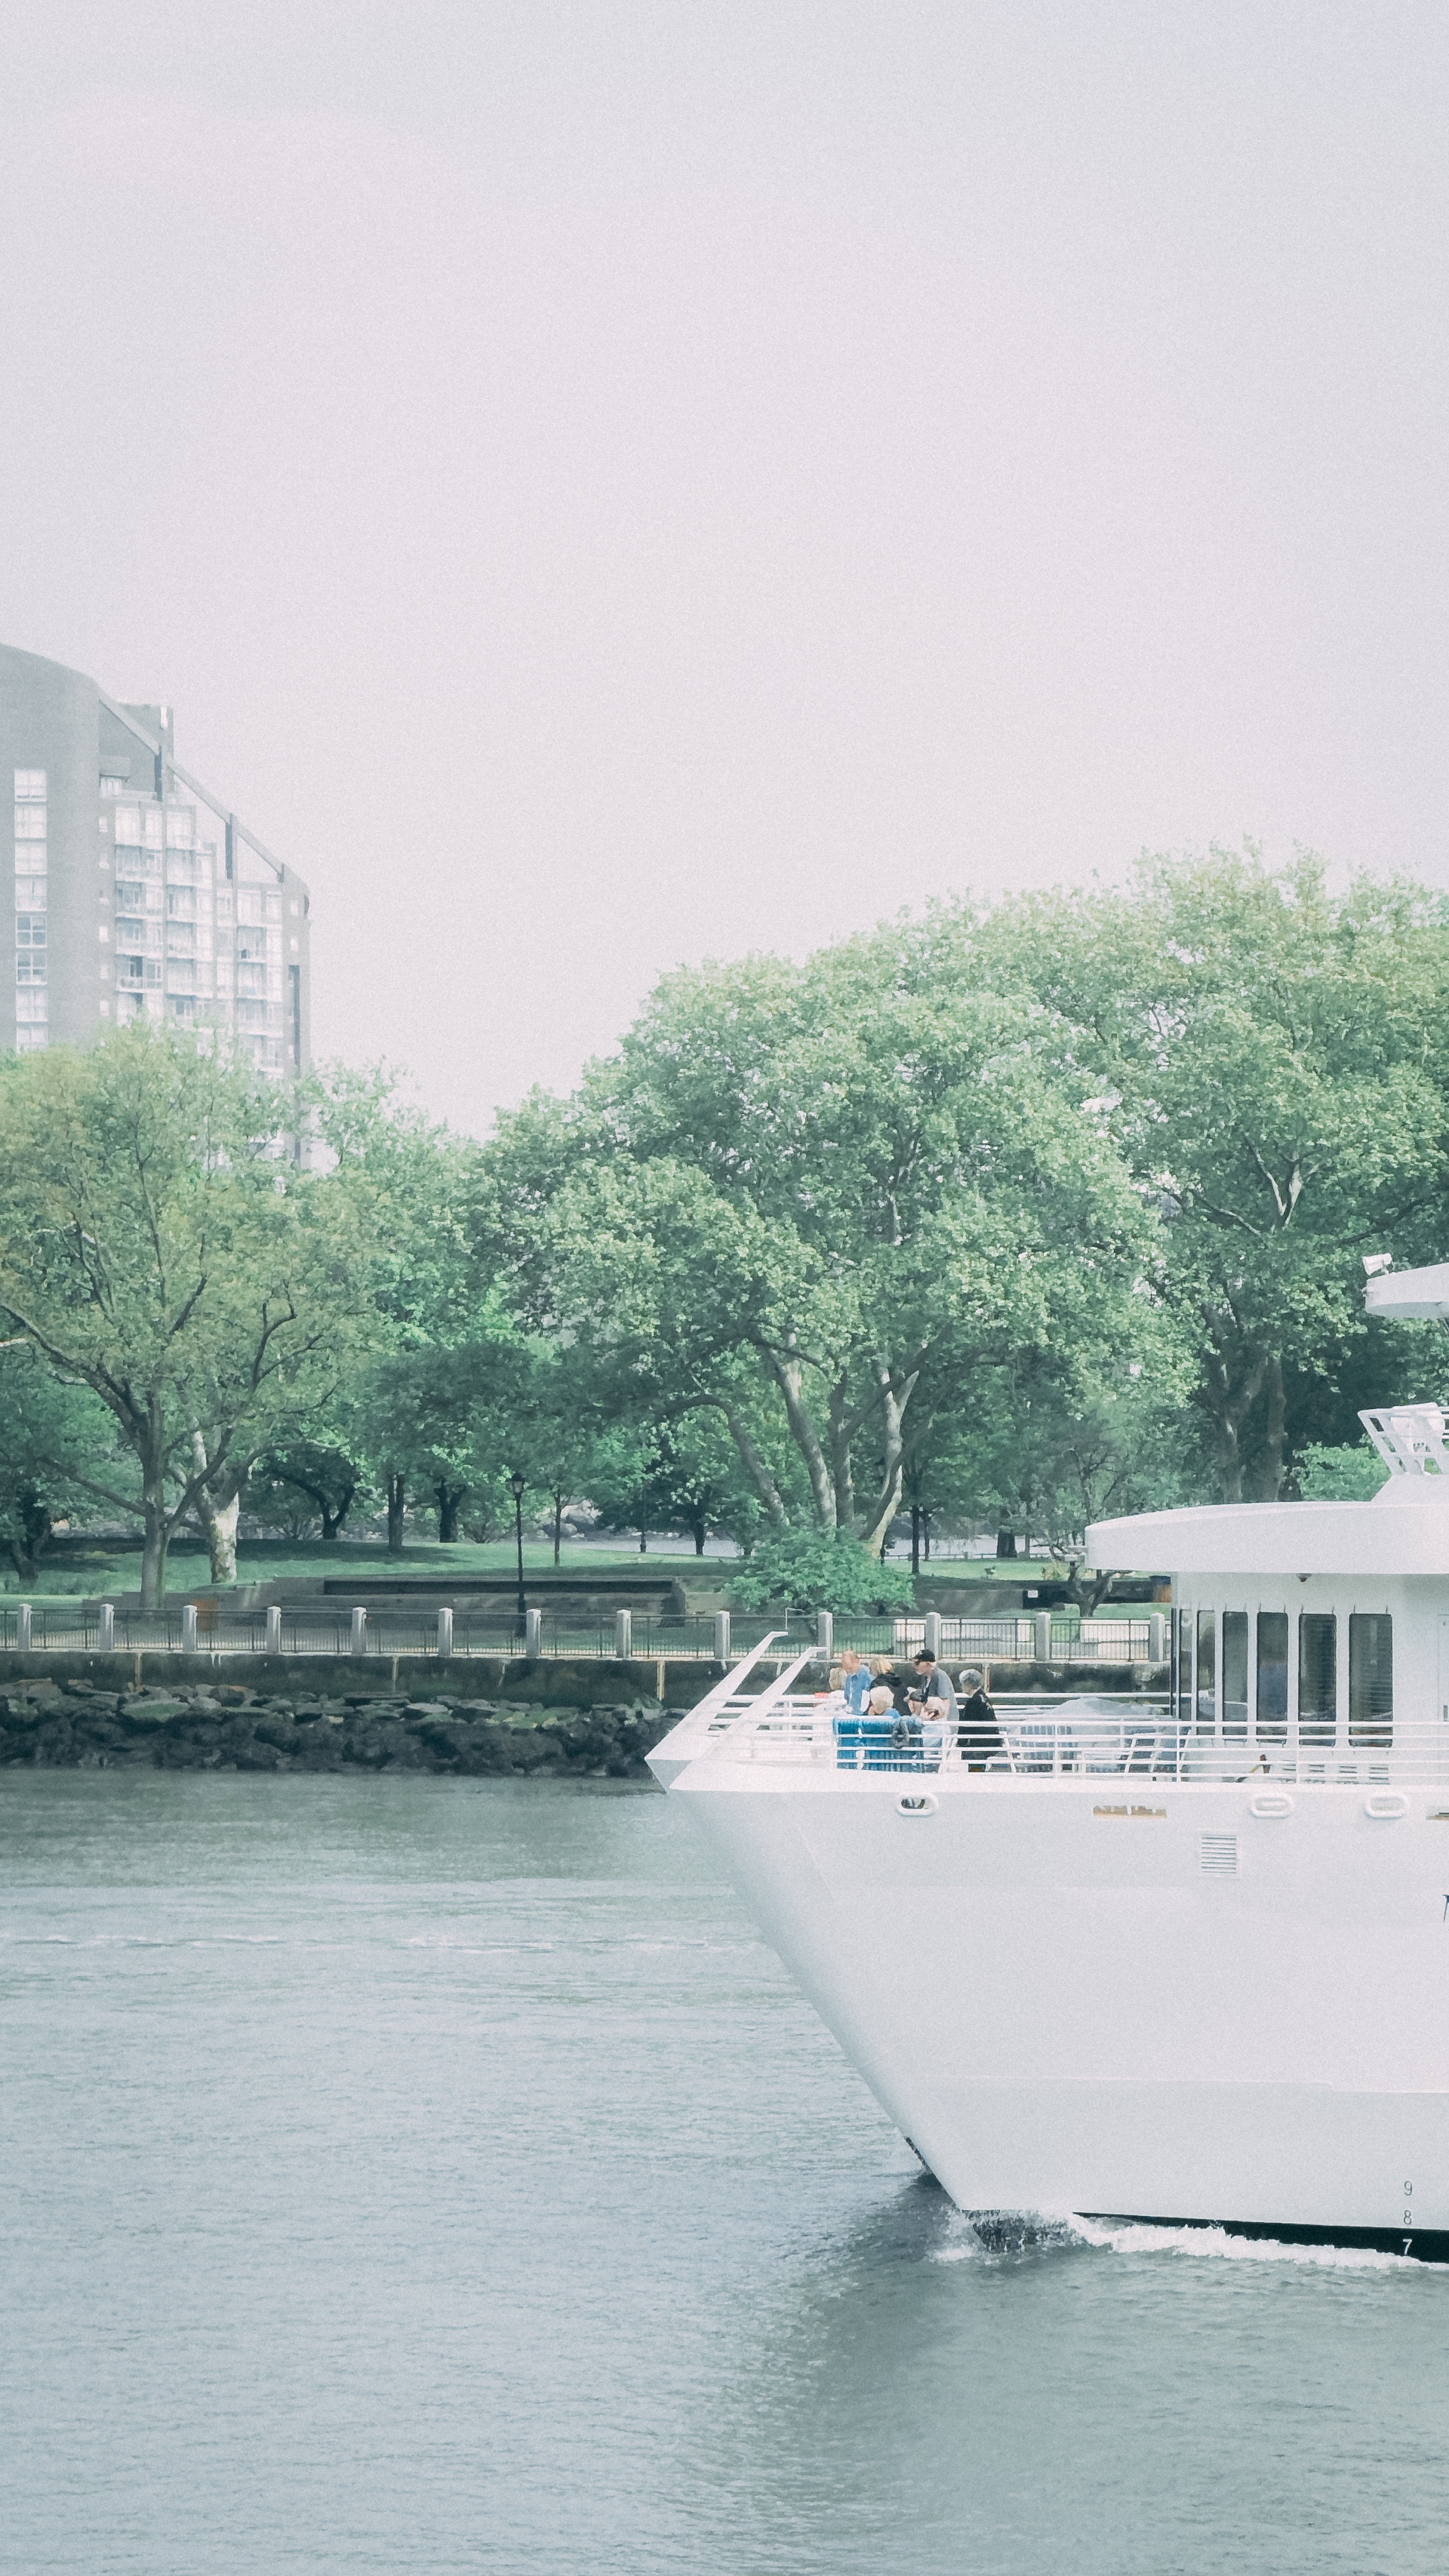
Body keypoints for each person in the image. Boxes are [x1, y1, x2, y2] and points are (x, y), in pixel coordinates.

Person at [956, 1667, 1005, 1771]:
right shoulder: (982, 1698)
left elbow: (968, 1723)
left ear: (968, 1684)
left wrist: (961, 1740)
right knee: (978, 1766)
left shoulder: (975, 1701)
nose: (961, 1686)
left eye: (962, 1683)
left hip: (979, 1742)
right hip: (988, 1739)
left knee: (976, 1768)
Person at [838, 1648, 871, 1715]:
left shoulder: (867, 1675)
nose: (848, 1671)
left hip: (863, 1715)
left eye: (849, 1668)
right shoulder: (849, 1676)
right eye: (845, 1668)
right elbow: (847, 1697)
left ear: (857, 1662)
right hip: (850, 1713)